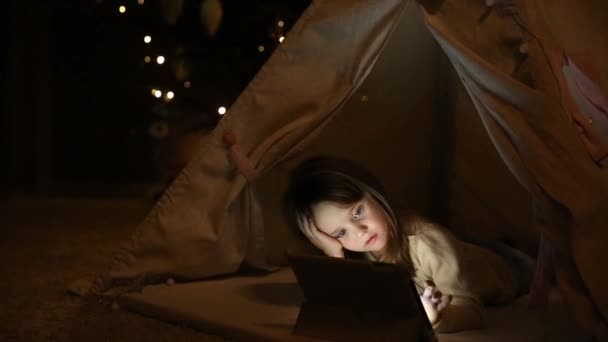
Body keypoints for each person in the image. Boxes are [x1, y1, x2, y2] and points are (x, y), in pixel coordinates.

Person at [283, 156, 534, 333]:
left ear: (374, 193)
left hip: (507, 268)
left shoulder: (427, 243)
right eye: (340, 232)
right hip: (461, 253)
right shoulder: (356, 250)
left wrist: (434, 318)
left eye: (358, 212)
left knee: (532, 263)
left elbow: (473, 311)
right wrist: (333, 254)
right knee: (465, 248)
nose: (359, 232)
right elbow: (346, 305)